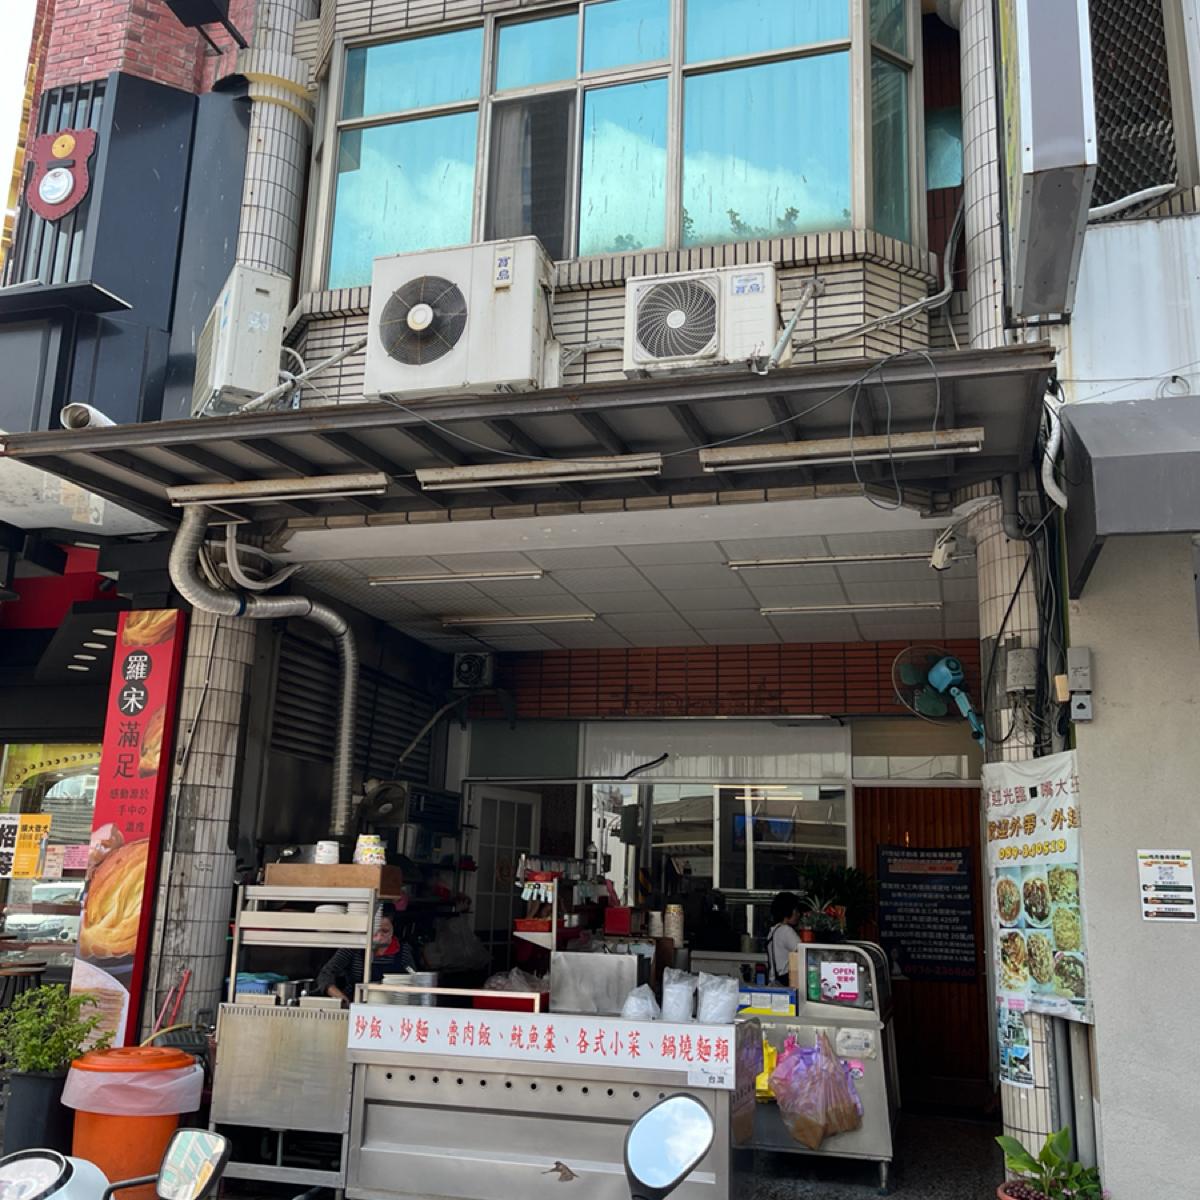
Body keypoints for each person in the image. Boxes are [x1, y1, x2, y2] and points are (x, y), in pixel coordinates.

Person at [316, 901, 415, 1004]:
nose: (379, 936)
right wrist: (342, 999)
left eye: (385, 931)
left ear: (393, 929)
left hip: (392, 1006)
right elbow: (325, 974)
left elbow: (414, 979)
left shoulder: (402, 951)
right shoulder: (353, 948)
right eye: (374, 931)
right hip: (356, 1005)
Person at [766, 891, 802, 985]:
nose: (798, 914)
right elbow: (803, 953)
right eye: (796, 910)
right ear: (788, 911)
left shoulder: (774, 930)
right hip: (785, 983)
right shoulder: (786, 931)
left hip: (774, 981)